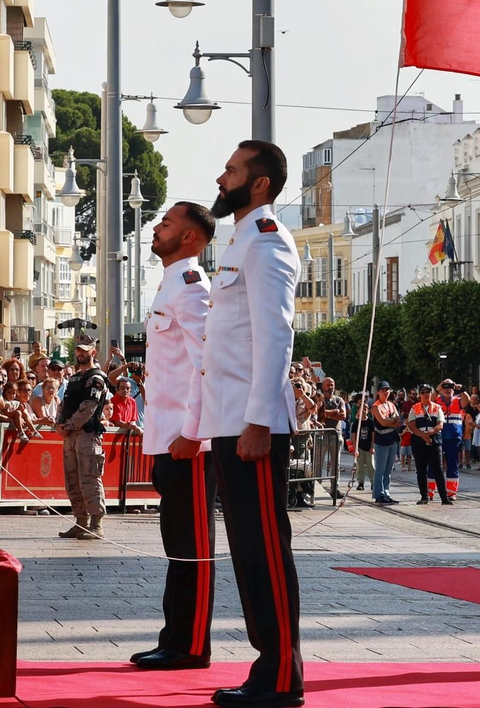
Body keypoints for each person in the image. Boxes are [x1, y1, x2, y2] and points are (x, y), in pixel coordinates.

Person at [185, 141, 304, 707]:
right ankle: (269, 669)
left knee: (264, 550)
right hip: (232, 421)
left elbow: (276, 336)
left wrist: (259, 420)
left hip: (254, 426)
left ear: (259, 183)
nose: (221, 175)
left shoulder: (267, 241)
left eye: (232, 169)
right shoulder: (242, 240)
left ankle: (282, 676)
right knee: (249, 551)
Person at [129, 201, 217, 671]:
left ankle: (191, 645)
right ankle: (175, 637)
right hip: (168, 438)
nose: (156, 229)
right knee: (177, 542)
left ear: (188, 237)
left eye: (166, 223)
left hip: (189, 443)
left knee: (193, 546)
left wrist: (192, 432)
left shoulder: (191, 287)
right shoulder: (169, 281)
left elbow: (208, 363)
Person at [56, 342, 111, 540]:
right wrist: (59, 423)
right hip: (70, 435)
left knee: (89, 477)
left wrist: (68, 426)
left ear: (93, 353)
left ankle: (96, 524)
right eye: (78, 351)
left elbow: (89, 407)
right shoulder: (74, 378)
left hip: (87, 434)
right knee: (72, 479)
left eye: (84, 351)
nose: (80, 354)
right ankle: (81, 521)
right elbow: (64, 403)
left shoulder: (96, 378)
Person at [408, 383, 449, 505]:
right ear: (419, 394)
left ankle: (444, 497)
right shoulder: (414, 408)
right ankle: (424, 496)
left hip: (434, 440)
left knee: (438, 469)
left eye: (428, 392)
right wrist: (423, 436)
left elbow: (440, 424)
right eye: (423, 392)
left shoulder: (437, 407)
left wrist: (429, 433)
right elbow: (411, 425)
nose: (426, 394)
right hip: (419, 442)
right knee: (421, 470)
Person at [369, 381, 402, 503]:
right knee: (380, 469)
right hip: (381, 440)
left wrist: (391, 421)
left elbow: (399, 422)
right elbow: (382, 422)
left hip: (392, 439)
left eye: (387, 390)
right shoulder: (375, 406)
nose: (386, 392)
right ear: (378, 392)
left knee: (388, 469)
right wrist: (392, 420)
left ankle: (386, 492)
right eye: (383, 390)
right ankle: (379, 494)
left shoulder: (391, 405)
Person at [437, 379, 463, 500]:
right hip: (438, 437)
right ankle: (430, 491)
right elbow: (430, 398)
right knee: (435, 465)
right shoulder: (436, 401)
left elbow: (467, 400)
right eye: (445, 387)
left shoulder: (458, 400)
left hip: (453, 437)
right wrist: (440, 386)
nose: (448, 389)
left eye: (450, 387)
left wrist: (460, 388)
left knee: (452, 464)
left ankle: (452, 492)